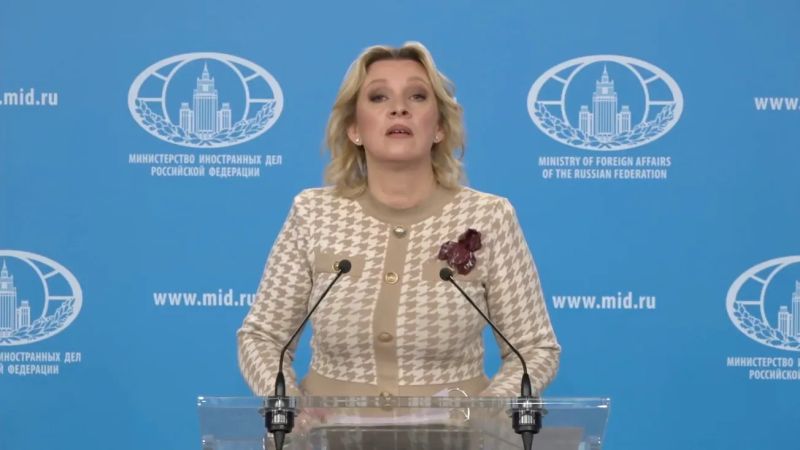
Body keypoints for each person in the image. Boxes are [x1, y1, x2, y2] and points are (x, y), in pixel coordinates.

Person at [237, 42, 560, 398]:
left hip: (457, 428)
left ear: (439, 127)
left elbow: (535, 349)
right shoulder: (314, 213)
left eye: (417, 97)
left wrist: (488, 413)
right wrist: (289, 409)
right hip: (325, 426)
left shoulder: (489, 217)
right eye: (379, 98)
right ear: (354, 129)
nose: (399, 109)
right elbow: (262, 337)